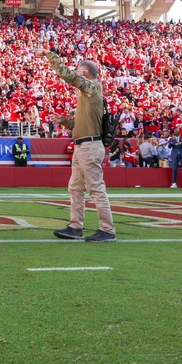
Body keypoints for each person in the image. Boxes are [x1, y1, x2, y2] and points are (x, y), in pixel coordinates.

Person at [39, 48, 116, 243]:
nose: (76, 72)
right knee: (75, 188)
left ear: (85, 72)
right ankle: (75, 226)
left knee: (95, 188)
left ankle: (107, 230)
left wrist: (50, 55)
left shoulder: (92, 88)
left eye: (79, 70)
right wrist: (64, 120)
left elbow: (69, 76)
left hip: (89, 147)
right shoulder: (89, 95)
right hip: (83, 145)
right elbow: (81, 125)